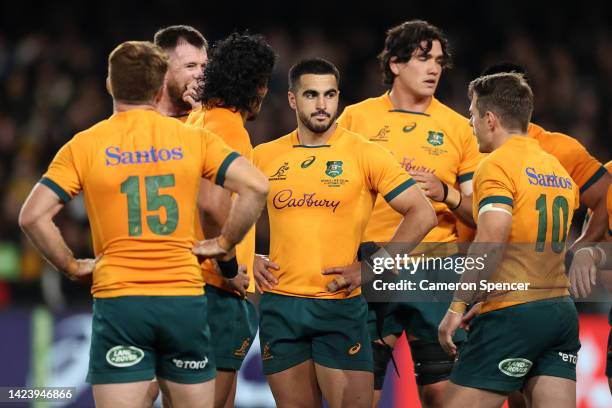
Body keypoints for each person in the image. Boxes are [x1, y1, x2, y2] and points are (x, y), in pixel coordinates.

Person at [18, 41, 269, 408]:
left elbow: (32, 216)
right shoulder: (192, 138)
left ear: (109, 84)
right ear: (158, 88)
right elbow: (256, 186)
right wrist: (223, 245)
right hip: (183, 299)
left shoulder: (85, 145)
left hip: (120, 300)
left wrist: (72, 266)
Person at [252, 57, 437, 408]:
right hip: (281, 306)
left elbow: (422, 214)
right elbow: (226, 213)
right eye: (311, 95)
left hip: (339, 306)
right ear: (292, 99)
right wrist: (245, 255)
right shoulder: (264, 156)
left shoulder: (365, 153)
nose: (322, 105)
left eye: (330, 95)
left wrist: (372, 268)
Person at [337, 20, 482, 407]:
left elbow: (479, 215)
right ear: (396, 64)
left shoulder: (458, 128)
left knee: (441, 393)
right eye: (423, 59)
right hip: (372, 262)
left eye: (438, 60)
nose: (434, 68)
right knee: (359, 394)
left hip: (435, 268)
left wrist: (446, 193)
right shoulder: (354, 119)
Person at [438, 72, 580, 408]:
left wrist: (457, 306)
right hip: (560, 311)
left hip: (514, 315)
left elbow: (492, 238)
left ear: (490, 119)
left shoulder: (497, 165)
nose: (470, 123)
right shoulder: (557, 169)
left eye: (472, 114)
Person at [185, 31, 276, 408]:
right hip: (214, 290)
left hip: (186, 284)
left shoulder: (195, 120)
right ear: (255, 86)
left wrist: (247, 254)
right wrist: (227, 264)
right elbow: (211, 203)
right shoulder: (229, 130)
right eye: (265, 84)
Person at [154, 25, 208, 121]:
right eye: (190, 66)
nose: (201, 75)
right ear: (162, 69)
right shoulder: (139, 122)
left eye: (204, 66)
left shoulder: (217, 115)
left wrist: (201, 115)